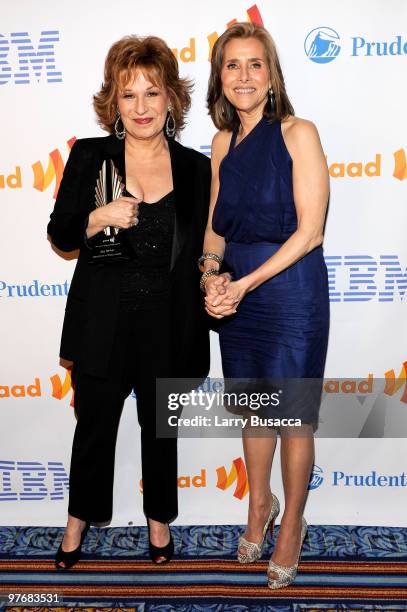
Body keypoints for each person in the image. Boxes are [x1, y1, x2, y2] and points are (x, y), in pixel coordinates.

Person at [48, 35, 210, 568]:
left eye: (152, 93)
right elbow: (62, 231)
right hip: (103, 322)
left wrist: (215, 277)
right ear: (113, 104)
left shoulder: (193, 167)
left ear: (171, 100)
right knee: (94, 430)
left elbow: (205, 246)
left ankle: (158, 523)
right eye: (128, 95)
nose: (141, 108)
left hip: (168, 324)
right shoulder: (90, 156)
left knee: (160, 432)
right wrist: (98, 218)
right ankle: (76, 525)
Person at [202, 23, 329, 589]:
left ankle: (292, 526)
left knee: (293, 417)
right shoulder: (221, 143)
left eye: (255, 64)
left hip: (289, 286)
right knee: (254, 409)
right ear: (220, 76)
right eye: (233, 65)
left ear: (271, 73)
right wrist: (210, 276)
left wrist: (245, 283)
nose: (244, 76)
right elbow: (214, 226)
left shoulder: (299, 133)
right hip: (239, 291)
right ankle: (260, 506)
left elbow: (311, 232)